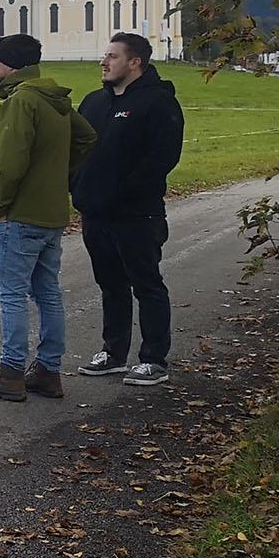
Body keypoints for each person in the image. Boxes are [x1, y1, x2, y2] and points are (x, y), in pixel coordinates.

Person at [0, 33, 97, 403]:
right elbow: (87, 137)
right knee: (47, 292)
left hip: (21, 214)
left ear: (10, 65)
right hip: (53, 213)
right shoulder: (54, 98)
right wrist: (58, 174)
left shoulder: (21, 100)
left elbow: (11, 163)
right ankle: (48, 371)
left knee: (11, 293)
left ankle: (11, 372)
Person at [71, 32, 185, 387]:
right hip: (96, 214)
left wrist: (122, 192)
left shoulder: (157, 103)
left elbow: (162, 158)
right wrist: (77, 187)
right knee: (110, 285)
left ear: (135, 62)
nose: (104, 63)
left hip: (137, 213)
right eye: (105, 57)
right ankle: (113, 353)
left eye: (113, 57)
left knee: (146, 283)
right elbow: (73, 150)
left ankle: (153, 358)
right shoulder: (92, 103)